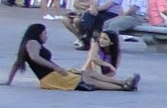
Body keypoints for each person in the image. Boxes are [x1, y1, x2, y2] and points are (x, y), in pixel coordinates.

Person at [6, 23, 135, 90]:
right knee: (90, 80)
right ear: (38, 34)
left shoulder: (30, 43)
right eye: (45, 33)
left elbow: (17, 63)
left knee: (89, 74)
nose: (46, 35)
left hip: (53, 75)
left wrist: (9, 81)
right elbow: (35, 57)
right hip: (50, 78)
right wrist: (55, 68)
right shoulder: (32, 42)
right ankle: (122, 87)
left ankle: (123, 82)